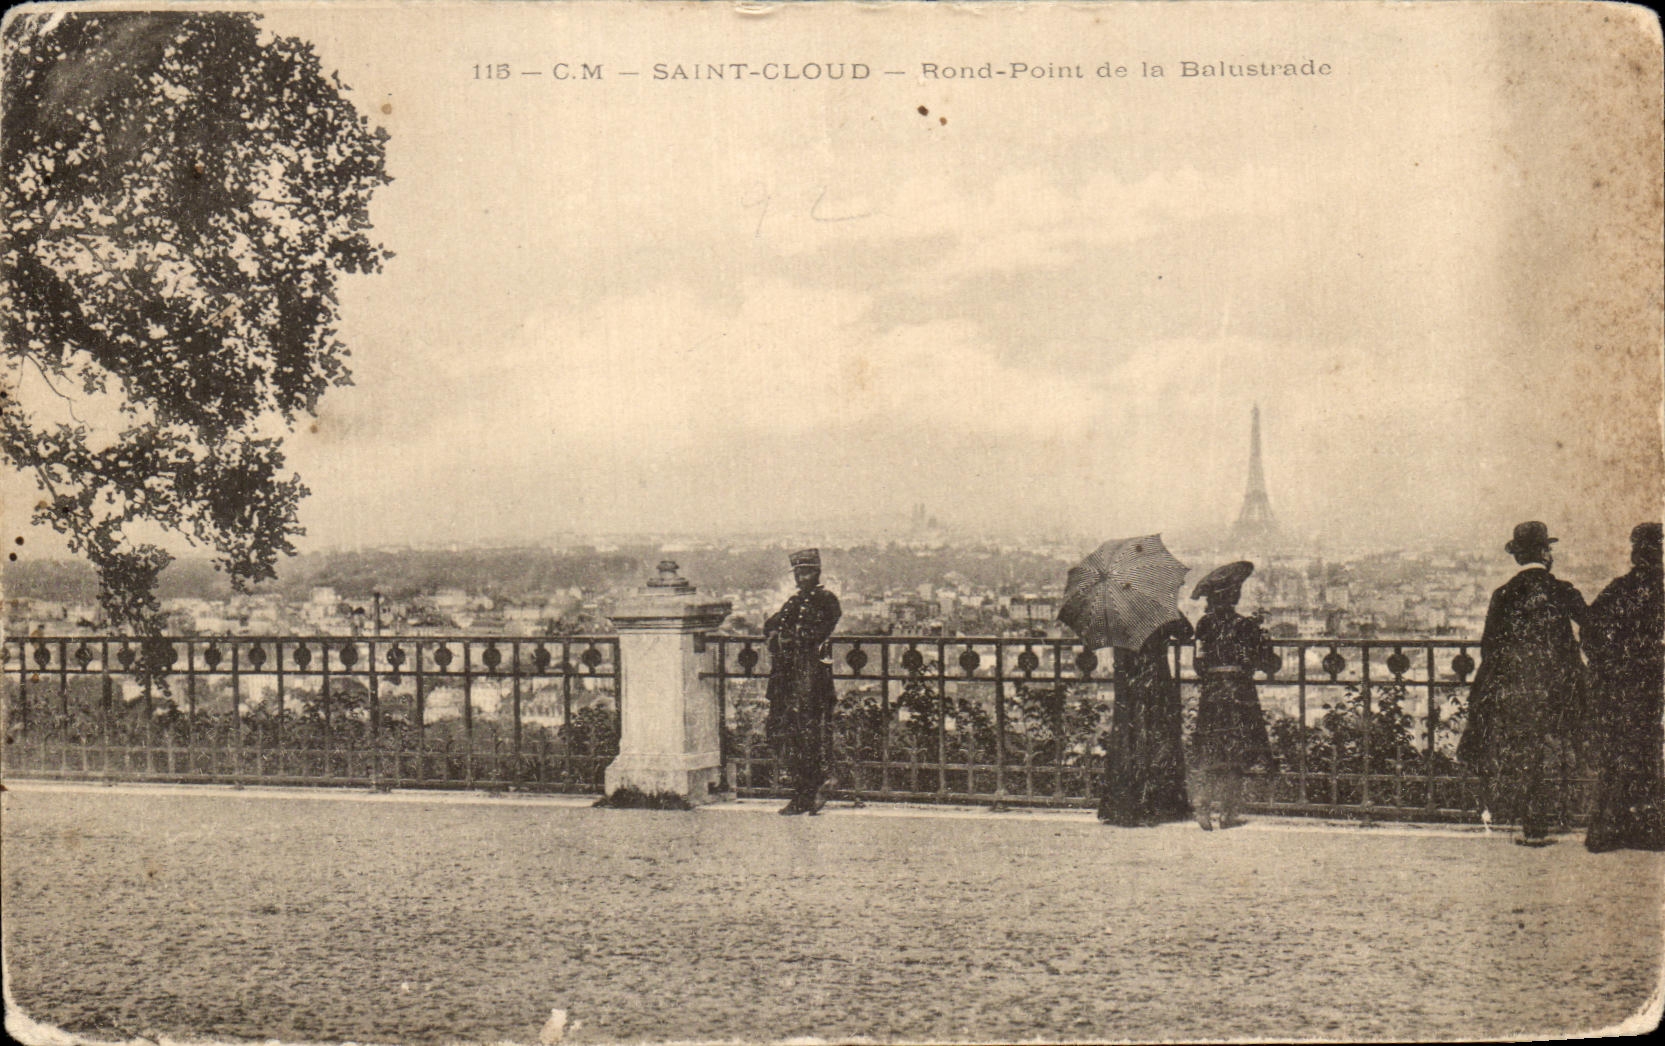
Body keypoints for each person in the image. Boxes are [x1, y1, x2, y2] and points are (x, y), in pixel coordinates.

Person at [1458, 521, 1587, 846]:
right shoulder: (1561, 590)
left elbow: (1490, 647)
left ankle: (1532, 823)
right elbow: (1593, 624)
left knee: (1523, 751)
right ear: (1544, 553)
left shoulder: (1503, 594)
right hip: (1559, 688)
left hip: (1516, 687)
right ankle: (1559, 815)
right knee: (1561, 745)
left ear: (1518, 557)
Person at [1583, 523, 1665, 853]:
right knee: (1649, 752)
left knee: (1619, 754)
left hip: (1621, 687)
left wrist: (1610, 668)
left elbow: (1590, 633)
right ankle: (1649, 829)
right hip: (1653, 685)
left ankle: (1611, 828)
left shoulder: (1619, 589)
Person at [1189, 561, 1276, 830]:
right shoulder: (1246, 626)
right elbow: (1267, 663)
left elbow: (1199, 664)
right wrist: (1264, 639)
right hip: (1239, 692)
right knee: (1235, 748)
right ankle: (1228, 811)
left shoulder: (1204, 624)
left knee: (1210, 747)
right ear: (1234, 596)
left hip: (1213, 692)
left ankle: (1202, 807)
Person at [764, 548, 842, 815]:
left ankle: (811, 789)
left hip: (811, 676)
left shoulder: (827, 601)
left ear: (817, 573)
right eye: (798, 572)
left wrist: (792, 638)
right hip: (787, 676)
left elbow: (818, 632)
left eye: (806, 571)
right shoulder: (793, 602)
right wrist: (775, 635)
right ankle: (802, 790)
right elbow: (771, 625)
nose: (801, 577)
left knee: (809, 734)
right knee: (785, 733)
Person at [1099, 615, 1195, 826]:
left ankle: (1126, 804)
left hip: (1128, 683)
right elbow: (1187, 632)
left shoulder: (1117, 612)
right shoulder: (1157, 610)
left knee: (1129, 738)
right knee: (1156, 737)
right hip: (1155, 682)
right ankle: (1156, 804)